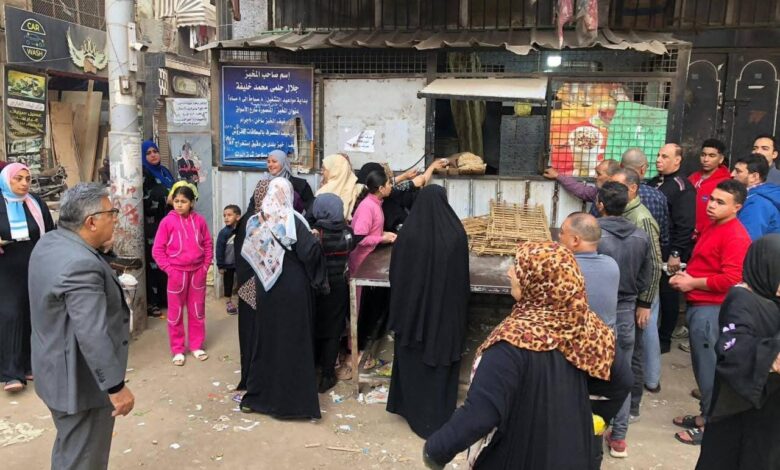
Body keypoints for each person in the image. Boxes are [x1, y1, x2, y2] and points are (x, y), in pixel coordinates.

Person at [422, 241, 615, 470]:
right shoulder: (589, 328)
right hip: (576, 453)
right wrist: (585, 417)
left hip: (521, 454)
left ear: (538, 282)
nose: (510, 272)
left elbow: (480, 414)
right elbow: (620, 382)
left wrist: (435, 451)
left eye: (518, 267)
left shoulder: (511, 344)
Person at [28, 183, 134, 469]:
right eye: (111, 213)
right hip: (80, 384)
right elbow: (92, 333)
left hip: (52, 368)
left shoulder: (50, 242)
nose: (115, 218)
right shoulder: (81, 265)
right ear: (91, 222)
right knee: (84, 459)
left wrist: (103, 253)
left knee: (71, 450)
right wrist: (115, 386)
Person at [669, 179, 751, 445]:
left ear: (737, 207)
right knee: (702, 366)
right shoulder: (714, 226)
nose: (711, 205)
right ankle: (706, 415)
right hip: (700, 304)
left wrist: (692, 282)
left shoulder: (735, 236)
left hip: (712, 309)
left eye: (720, 202)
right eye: (712, 199)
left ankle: (712, 428)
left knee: (710, 370)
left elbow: (732, 278)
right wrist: (687, 275)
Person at [239, 178, 327, 419]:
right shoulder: (293, 219)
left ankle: (259, 398)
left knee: (267, 340)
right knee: (294, 342)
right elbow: (309, 253)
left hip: (266, 290)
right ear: (288, 194)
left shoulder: (255, 220)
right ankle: (295, 405)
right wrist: (316, 240)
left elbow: (251, 254)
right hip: (293, 290)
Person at [386, 185, 470, 439]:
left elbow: (396, 275)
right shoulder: (455, 234)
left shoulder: (408, 235)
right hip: (444, 315)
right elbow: (461, 279)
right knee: (439, 356)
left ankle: (409, 407)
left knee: (412, 355)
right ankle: (436, 414)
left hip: (411, 316)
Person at [696, 234, 780, 469]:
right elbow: (733, 346)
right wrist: (772, 358)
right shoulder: (742, 299)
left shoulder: (771, 296)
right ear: (766, 268)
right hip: (741, 405)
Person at [595, 180, 656, 458]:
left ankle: (588, 427)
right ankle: (619, 437)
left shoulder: (592, 234)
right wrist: (641, 302)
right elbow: (647, 275)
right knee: (623, 373)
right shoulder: (640, 236)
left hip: (597, 310)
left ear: (600, 204)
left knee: (589, 369)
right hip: (626, 310)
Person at [0, 163, 54, 392]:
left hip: (34, 266)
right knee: (11, 315)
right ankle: (11, 373)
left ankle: (30, 364)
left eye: (27, 179)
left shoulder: (35, 203)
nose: (24, 183)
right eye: (18, 178)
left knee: (33, 314)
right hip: (6, 269)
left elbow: (49, 232)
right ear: (6, 180)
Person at [152, 182, 213, 366]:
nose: (179, 204)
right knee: (175, 313)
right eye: (176, 201)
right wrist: (170, 270)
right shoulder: (167, 222)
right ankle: (178, 349)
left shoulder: (200, 221)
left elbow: (208, 244)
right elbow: (157, 250)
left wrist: (205, 267)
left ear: (192, 203)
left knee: (197, 311)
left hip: (197, 274)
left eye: (184, 201)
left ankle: (196, 346)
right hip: (176, 274)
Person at [650, 143, 696, 356]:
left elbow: (685, 224)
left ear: (677, 160)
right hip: (653, 247)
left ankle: (664, 339)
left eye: (665, 156)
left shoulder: (682, 187)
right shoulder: (654, 182)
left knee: (668, 294)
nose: (659, 160)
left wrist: (676, 253)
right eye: (658, 155)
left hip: (670, 249)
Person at [348, 169, 396, 367]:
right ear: (381, 188)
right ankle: (355, 350)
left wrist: (383, 234)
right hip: (361, 262)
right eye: (389, 184)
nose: (391, 187)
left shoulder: (375, 203)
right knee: (359, 307)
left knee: (368, 305)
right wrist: (382, 238)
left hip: (369, 260)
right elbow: (359, 237)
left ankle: (363, 343)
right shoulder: (368, 207)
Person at [311, 193, 356, 393]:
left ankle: (313, 367)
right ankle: (328, 374)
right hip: (338, 286)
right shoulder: (348, 233)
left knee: (315, 326)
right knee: (333, 330)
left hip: (317, 287)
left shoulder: (315, 234)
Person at [232, 177, 271, 391]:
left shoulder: (257, 218)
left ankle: (254, 378)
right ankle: (253, 379)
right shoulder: (254, 221)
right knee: (255, 334)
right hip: (255, 287)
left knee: (254, 334)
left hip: (254, 286)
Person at [559, 212, 620, 328]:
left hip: (571, 336)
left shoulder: (561, 267)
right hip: (606, 336)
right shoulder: (612, 265)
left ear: (575, 240)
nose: (559, 236)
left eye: (562, 232)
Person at [141, 140, 175, 317]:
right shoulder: (144, 173)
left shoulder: (165, 172)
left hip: (170, 223)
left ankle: (165, 298)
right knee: (154, 262)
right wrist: (165, 200)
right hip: (153, 225)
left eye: (155, 151)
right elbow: (143, 200)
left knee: (169, 261)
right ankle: (152, 302)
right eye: (148, 153)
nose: (153, 155)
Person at [620, 148, 670, 250]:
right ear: (643, 169)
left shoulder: (608, 192)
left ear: (620, 167)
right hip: (648, 251)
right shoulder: (658, 197)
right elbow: (664, 236)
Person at [543, 159, 620, 216]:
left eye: (599, 174)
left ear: (612, 177)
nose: (595, 177)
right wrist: (557, 175)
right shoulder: (599, 192)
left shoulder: (618, 199)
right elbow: (581, 190)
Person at [730, 153, 780, 240]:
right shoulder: (754, 197)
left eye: (738, 171)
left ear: (754, 176)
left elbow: (746, 241)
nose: (732, 174)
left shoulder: (757, 204)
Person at [689, 139, 732, 237]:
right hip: (687, 233)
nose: (706, 159)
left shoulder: (725, 183)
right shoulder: (692, 178)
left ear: (721, 159)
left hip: (709, 235)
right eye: (703, 155)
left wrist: (700, 229)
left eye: (712, 156)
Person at [315, 154, 361, 221]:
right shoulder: (356, 190)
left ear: (334, 172)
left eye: (324, 169)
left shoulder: (358, 192)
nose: (322, 172)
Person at [267, 149, 314, 214]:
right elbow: (254, 208)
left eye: (274, 161)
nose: (270, 165)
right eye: (268, 162)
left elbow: (311, 209)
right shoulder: (264, 184)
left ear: (283, 163)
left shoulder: (300, 185)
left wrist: (298, 220)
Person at [216, 204, 242, 315]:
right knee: (228, 283)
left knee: (241, 282)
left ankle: (242, 302)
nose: (226, 218)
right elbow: (219, 249)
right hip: (228, 264)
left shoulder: (242, 230)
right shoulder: (224, 233)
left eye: (229, 215)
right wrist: (220, 265)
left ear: (238, 217)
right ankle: (229, 302)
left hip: (240, 263)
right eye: (224, 215)